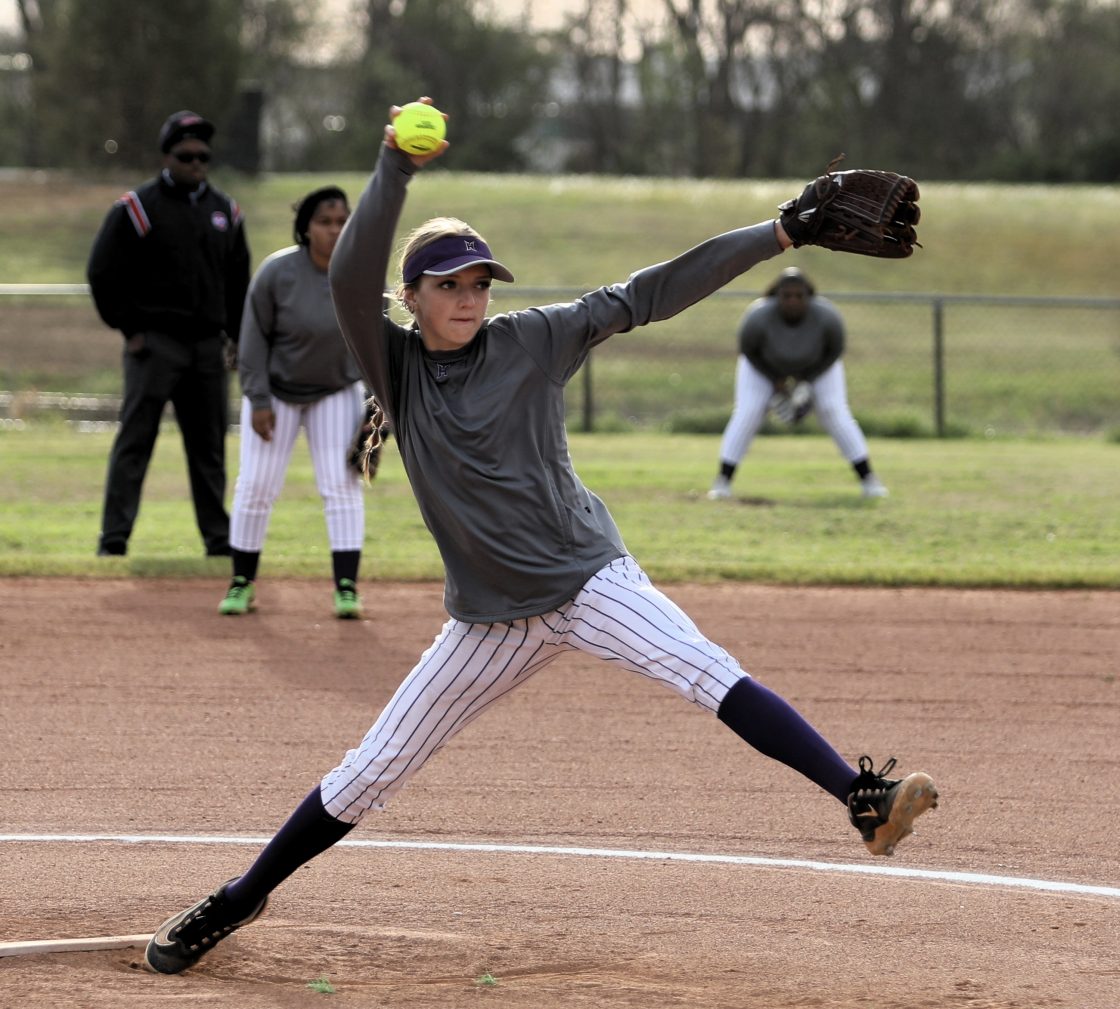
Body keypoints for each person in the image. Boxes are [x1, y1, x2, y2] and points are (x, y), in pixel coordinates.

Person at [142, 99, 938, 976]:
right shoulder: (398, 367)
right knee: (371, 771)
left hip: (591, 579)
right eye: (448, 285)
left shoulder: (534, 339)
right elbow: (348, 276)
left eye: (480, 282)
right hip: (487, 621)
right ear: (410, 299)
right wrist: (395, 166)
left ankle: (859, 797)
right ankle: (240, 895)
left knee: (703, 666)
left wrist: (780, 232)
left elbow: (652, 290)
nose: (469, 298)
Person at [87, 110, 251, 557]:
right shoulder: (137, 210)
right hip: (154, 343)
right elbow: (102, 273)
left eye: (203, 156)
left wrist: (236, 339)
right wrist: (131, 329)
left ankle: (218, 541)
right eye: (186, 155)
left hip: (206, 347)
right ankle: (113, 539)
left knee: (209, 447)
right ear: (167, 156)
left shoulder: (226, 212)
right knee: (135, 442)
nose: (196, 163)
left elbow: (238, 284)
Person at [218, 187, 368, 620]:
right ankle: (241, 582)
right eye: (325, 221)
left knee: (341, 486)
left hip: (337, 390)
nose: (335, 229)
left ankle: (346, 587)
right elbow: (252, 340)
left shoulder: (359, 273)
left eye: (342, 221)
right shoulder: (277, 272)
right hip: (277, 392)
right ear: (305, 227)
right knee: (256, 485)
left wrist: (377, 408)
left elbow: (377, 345)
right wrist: (259, 399)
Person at [708, 267, 888, 501]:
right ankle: (722, 481)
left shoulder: (827, 316)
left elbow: (835, 351)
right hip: (764, 367)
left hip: (816, 367)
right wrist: (776, 382)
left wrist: (807, 380)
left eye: (799, 295)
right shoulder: (758, 315)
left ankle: (869, 479)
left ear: (809, 296)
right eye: (787, 295)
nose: (793, 301)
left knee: (833, 410)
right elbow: (748, 351)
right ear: (776, 296)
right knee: (749, 411)